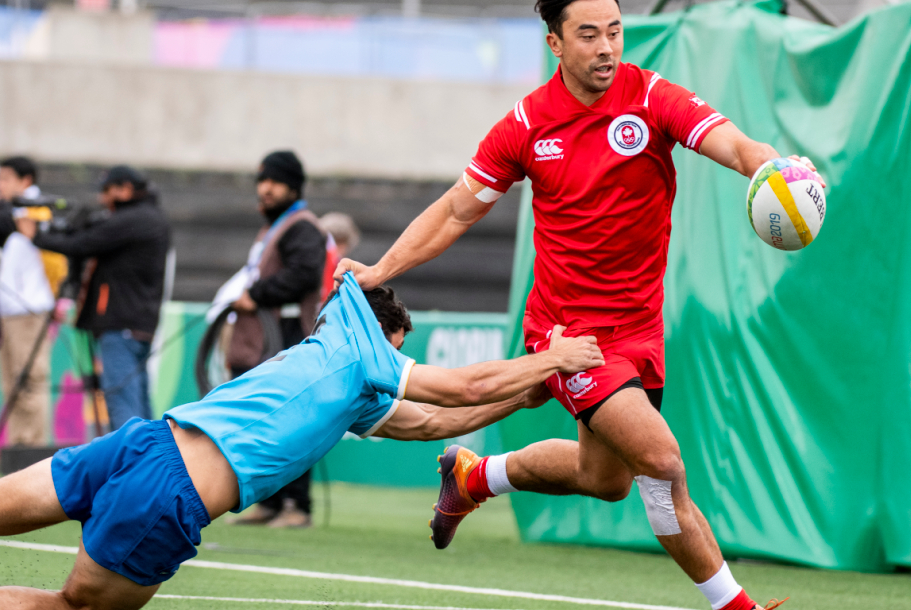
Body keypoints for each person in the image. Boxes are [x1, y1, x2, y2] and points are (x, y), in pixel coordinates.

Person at [333, 1, 824, 608]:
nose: (606, 48)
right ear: (555, 44)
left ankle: (474, 475)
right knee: (662, 463)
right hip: (569, 337)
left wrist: (774, 167)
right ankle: (736, 606)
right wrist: (381, 268)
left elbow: (735, 145)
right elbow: (459, 208)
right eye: (588, 35)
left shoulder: (651, 97)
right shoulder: (526, 125)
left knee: (607, 480)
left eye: (614, 31)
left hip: (640, 332)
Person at [0, 272, 604, 609]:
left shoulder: (333, 354)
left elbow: (429, 423)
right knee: (76, 608)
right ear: (384, 335)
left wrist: (521, 396)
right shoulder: (366, 349)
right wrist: (554, 358)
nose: (395, 370)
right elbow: (458, 389)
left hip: (145, 443)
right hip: (170, 492)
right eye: (398, 354)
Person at [16, 165, 170, 433]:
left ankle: (131, 466)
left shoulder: (133, 219)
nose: (102, 199)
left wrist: (37, 235)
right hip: (135, 325)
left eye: (107, 191)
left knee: (123, 405)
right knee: (139, 403)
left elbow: (83, 243)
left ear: (125, 190)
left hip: (120, 325)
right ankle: (148, 465)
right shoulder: (150, 217)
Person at [227, 150, 327, 529]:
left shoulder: (301, 226)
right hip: (263, 337)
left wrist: (258, 293)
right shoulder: (275, 226)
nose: (265, 189)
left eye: (274, 181)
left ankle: (297, 507)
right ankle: (269, 503)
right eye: (262, 181)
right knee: (263, 421)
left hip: (287, 335)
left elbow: (303, 275)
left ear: (293, 186)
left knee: (292, 422)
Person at [0, 156, 60, 447]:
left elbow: (56, 261)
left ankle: (31, 449)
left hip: (29, 309)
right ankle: (17, 448)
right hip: (10, 311)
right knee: (12, 383)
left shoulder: (38, 213)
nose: (0, 186)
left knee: (29, 382)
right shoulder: (12, 212)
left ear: (25, 181)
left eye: (5, 179)